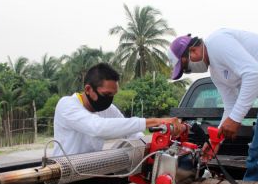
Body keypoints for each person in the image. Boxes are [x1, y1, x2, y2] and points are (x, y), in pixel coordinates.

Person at [168, 29, 258, 181]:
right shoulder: (216, 72)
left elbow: (254, 73)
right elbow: (230, 105)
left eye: (186, 68)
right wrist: (215, 141)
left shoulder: (217, 42)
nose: (189, 71)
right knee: (255, 155)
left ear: (193, 50)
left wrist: (235, 119)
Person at [53, 63, 183, 156]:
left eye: (113, 95)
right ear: (88, 89)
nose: (109, 100)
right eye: (106, 95)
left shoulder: (108, 109)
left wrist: (154, 146)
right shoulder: (66, 105)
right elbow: (98, 128)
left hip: (88, 170)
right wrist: (155, 121)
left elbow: (132, 133)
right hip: (64, 173)